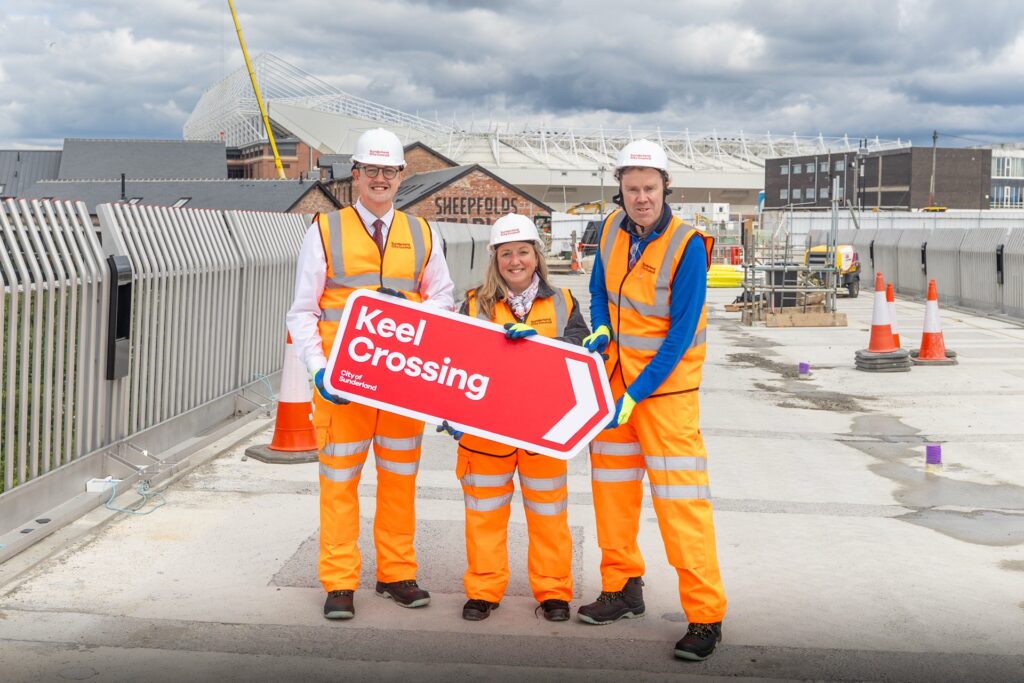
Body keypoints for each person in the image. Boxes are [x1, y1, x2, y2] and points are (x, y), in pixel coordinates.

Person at [286, 127, 455, 620]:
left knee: (400, 479)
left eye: (390, 171)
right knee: (339, 483)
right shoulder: (323, 230)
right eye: (372, 171)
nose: (380, 179)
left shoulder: (423, 233)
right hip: (344, 387)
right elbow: (302, 312)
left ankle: (396, 574)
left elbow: (443, 298)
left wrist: (413, 305)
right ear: (355, 175)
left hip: (402, 384)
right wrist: (319, 372)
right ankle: (339, 582)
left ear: (402, 176)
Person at [577, 139, 727, 661]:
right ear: (619, 188)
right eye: (632, 188)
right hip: (615, 387)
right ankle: (622, 589)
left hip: (665, 396)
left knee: (681, 506)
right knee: (612, 496)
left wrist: (637, 392)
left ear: (666, 188)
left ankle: (705, 616)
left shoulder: (687, 245)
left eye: (650, 188)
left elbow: (681, 333)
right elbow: (598, 290)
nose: (641, 197)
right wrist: (598, 329)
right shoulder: (612, 230)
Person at [439, 213, 589, 623]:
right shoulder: (472, 304)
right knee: (484, 514)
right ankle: (484, 591)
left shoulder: (564, 302)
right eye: (506, 253)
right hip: (486, 430)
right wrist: (449, 409)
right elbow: (450, 360)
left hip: (543, 429)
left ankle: (554, 592)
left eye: (523, 251)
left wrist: (544, 345)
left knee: (549, 515)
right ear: (495, 259)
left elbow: (580, 355)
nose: (515, 261)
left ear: (536, 255)